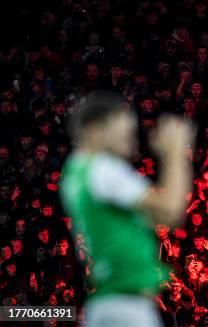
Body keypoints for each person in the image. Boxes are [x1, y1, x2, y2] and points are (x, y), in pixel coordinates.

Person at [59, 90, 195, 326]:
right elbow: (170, 211)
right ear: (97, 129)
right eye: (124, 130)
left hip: (107, 302)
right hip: (126, 308)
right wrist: (176, 153)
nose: (132, 139)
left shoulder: (76, 169)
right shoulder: (101, 168)